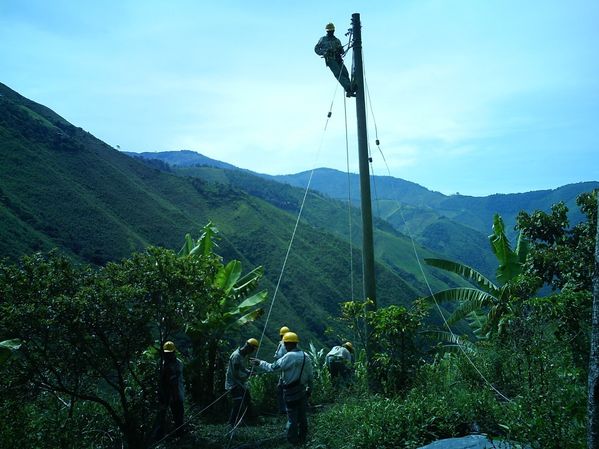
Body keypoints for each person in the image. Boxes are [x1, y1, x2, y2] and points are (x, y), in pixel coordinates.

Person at [251, 332, 313, 446]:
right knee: (303, 416)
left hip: (290, 392)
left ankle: (291, 441)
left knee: (292, 418)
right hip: (302, 390)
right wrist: (310, 390)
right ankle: (303, 438)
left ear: (287, 344)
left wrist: (260, 363)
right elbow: (310, 376)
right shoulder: (306, 356)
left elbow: (273, 367)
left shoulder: (289, 356)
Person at [314, 22, 356, 97]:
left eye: (331, 31)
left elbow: (341, 51)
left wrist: (340, 50)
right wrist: (324, 52)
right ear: (327, 31)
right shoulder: (323, 39)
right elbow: (316, 49)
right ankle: (349, 88)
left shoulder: (337, 40)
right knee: (338, 74)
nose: (330, 32)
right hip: (330, 59)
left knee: (345, 73)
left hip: (338, 59)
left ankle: (350, 89)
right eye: (329, 31)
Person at [154, 340, 185, 440]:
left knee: (178, 416)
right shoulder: (161, 364)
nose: (169, 355)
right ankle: (159, 437)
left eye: (170, 353)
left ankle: (180, 436)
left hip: (177, 394)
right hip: (165, 394)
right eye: (167, 353)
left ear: (174, 352)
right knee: (161, 417)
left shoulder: (178, 364)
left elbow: (174, 380)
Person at [225, 338, 259, 427]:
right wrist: (247, 375)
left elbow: (242, 368)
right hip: (233, 383)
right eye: (252, 349)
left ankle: (250, 419)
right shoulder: (236, 356)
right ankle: (231, 423)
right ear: (247, 346)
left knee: (247, 399)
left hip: (240, 382)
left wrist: (249, 371)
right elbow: (236, 374)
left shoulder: (242, 355)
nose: (252, 352)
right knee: (238, 403)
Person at [274, 325, 290, 414]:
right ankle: (284, 409)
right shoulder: (283, 344)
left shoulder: (284, 345)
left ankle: (283, 410)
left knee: (282, 389)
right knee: (281, 389)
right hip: (284, 370)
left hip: (285, 370)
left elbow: (280, 357)